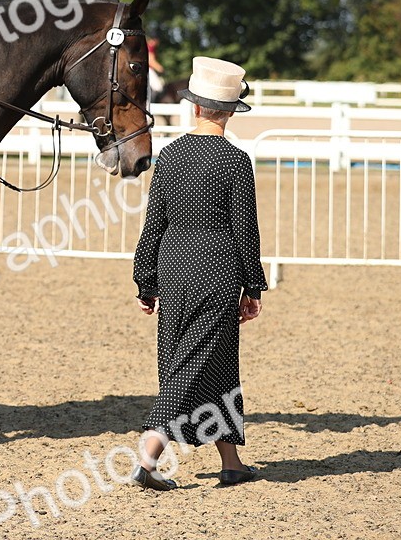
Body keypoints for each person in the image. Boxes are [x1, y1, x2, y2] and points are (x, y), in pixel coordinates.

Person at [130, 56, 267, 491]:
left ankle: (232, 462)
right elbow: (246, 229)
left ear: (195, 107)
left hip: (173, 268)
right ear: (229, 111)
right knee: (187, 369)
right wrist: (253, 285)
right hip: (218, 270)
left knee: (215, 365)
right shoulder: (235, 161)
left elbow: (154, 223)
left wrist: (145, 279)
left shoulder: (169, 157)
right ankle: (149, 455)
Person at [147, 38, 165, 103]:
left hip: (147, 69)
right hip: (149, 69)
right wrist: (160, 68)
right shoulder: (150, 47)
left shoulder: (147, 46)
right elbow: (151, 61)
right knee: (158, 87)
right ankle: (151, 105)